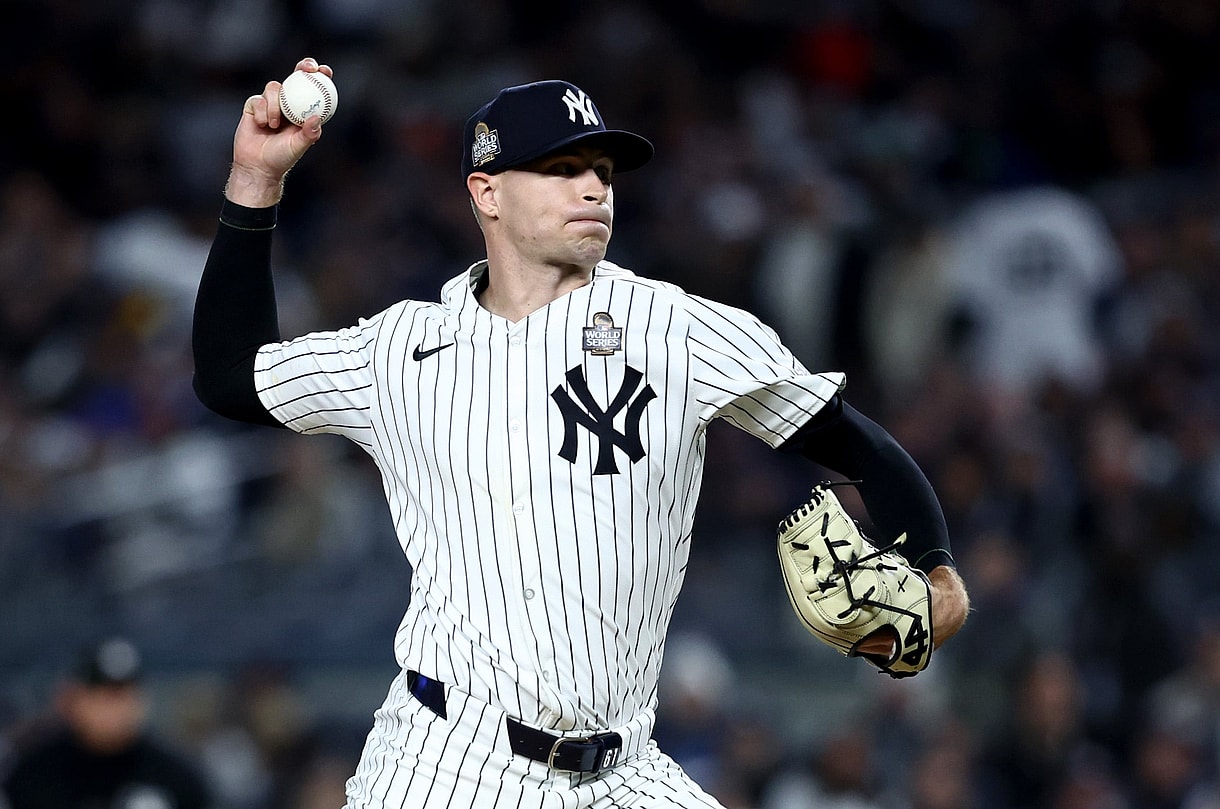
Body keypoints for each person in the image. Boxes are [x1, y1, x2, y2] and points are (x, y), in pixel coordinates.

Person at [191, 57, 970, 808]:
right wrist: (256, 181)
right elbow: (230, 375)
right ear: (487, 192)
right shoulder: (401, 350)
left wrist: (936, 574)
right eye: (562, 169)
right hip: (448, 762)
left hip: (623, 769)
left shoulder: (677, 329)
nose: (594, 186)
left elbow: (856, 445)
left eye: (601, 169)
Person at [0, 637, 213, 809]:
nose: (113, 710)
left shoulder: (177, 777)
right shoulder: (33, 775)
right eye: (101, 696)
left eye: (122, 695)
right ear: (74, 699)